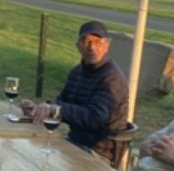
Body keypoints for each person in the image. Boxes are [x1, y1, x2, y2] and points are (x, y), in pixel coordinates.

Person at [21, 20, 129, 163]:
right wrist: (38, 109)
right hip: (74, 142)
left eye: (98, 42)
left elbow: (95, 118)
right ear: (78, 46)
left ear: (107, 46)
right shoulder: (77, 72)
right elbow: (61, 103)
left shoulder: (111, 78)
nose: (92, 47)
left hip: (98, 151)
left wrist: (54, 109)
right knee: (28, 154)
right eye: (86, 42)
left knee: (40, 160)